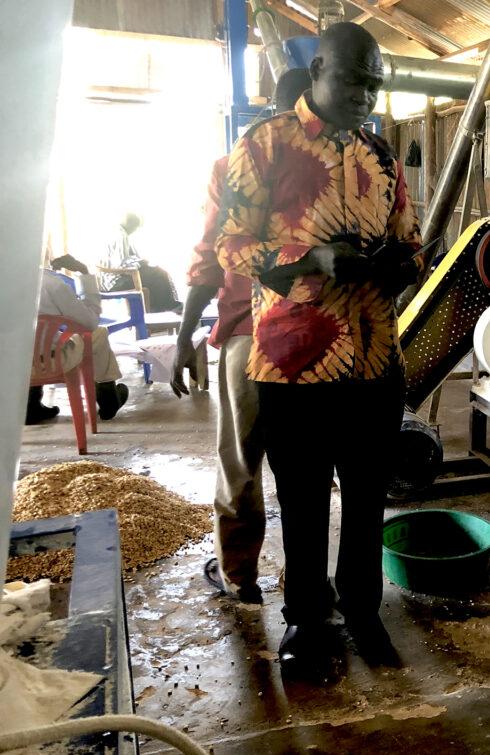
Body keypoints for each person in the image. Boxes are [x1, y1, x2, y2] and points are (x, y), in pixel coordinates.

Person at [216, 23, 423, 676]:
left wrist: (402, 266)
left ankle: (363, 611)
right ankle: (309, 622)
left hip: (374, 358)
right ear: (319, 72)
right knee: (303, 502)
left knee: (366, 498)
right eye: (355, 79)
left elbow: (409, 238)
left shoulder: (381, 158)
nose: (366, 95)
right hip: (295, 361)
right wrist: (312, 256)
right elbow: (231, 246)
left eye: (376, 84)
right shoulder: (266, 145)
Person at [170, 68, 313, 606]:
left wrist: (186, 335)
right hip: (317, 344)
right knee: (305, 469)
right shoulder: (341, 170)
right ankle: (309, 577)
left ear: (272, 110)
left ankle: (240, 576)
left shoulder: (232, 166)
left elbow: (207, 259)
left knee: (240, 465)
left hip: (250, 340)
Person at [28, 254, 130, 424]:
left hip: (12, 366)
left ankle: (30, 405)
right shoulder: (51, 284)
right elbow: (89, 322)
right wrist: (84, 273)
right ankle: (108, 398)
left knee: (32, 340)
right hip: (50, 362)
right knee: (98, 333)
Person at [100, 212, 182, 311]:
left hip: (110, 279)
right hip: (115, 282)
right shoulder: (120, 235)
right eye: (135, 227)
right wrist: (141, 263)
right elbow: (121, 264)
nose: (135, 230)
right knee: (160, 275)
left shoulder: (114, 232)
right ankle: (167, 307)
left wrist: (141, 262)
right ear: (130, 224)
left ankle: (156, 309)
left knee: (155, 275)